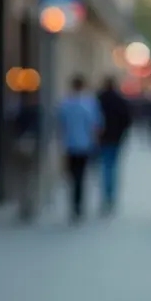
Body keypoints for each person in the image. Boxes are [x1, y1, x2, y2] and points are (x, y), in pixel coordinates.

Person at [57, 75, 102, 223]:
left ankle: (74, 204)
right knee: (81, 176)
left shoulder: (65, 104)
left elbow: (60, 125)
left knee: (72, 176)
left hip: (69, 145)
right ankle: (78, 205)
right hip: (84, 145)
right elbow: (96, 125)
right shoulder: (89, 104)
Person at [95, 75, 132, 215]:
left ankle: (106, 196)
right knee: (113, 167)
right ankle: (110, 196)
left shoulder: (99, 100)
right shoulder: (119, 100)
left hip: (103, 139)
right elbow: (127, 120)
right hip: (115, 138)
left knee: (105, 167)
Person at [11, 93, 42, 221]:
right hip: (29, 146)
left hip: (22, 145)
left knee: (25, 177)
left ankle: (25, 205)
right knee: (28, 177)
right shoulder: (35, 113)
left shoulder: (22, 112)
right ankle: (27, 205)